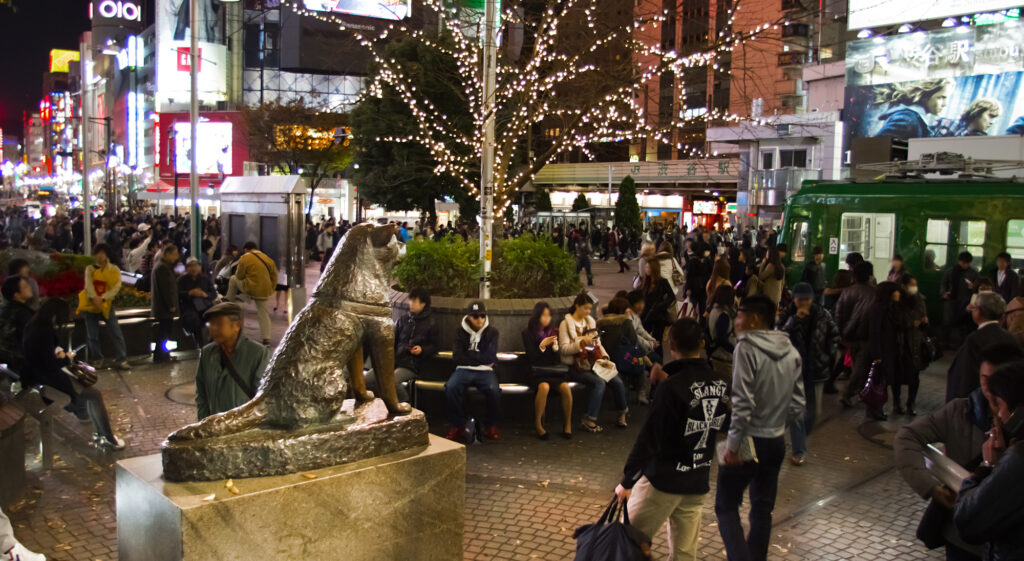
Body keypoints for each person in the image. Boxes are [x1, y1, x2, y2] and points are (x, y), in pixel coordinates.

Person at [614, 318, 729, 561]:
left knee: (627, 539)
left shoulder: (672, 387)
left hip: (663, 481)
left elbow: (650, 438)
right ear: (701, 343)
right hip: (697, 479)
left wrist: (627, 481)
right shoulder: (720, 383)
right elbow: (726, 423)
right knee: (685, 553)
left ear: (670, 343)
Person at [895, 343, 1022, 561]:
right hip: (961, 540)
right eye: (985, 379)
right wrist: (932, 488)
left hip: (1003, 543)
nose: (990, 388)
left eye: (997, 381)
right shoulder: (960, 410)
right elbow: (906, 436)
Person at [715, 295, 804, 561]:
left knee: (726, 506)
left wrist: (732, 446)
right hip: (775, 441)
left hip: (748, 440)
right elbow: (798, 405)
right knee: (762, 509)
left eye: (739, 314)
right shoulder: (791, 350)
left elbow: (742, 403)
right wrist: (775, 423)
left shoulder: (746, 348)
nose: (736, 321)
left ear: (754, 318)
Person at [22, 299, 125, 450]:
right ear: (56, 315)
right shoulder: (43, 331)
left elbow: (41, 356)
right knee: (94, 395)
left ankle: (103, 435)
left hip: (37, 377)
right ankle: (109, 439)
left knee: (93, 395)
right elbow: (49, 364)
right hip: (48, 379)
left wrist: (58, 354)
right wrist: (66, 358)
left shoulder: (33, 326)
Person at [953, 359, 1024, 560]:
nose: (1000, 415)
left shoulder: (1019, 460)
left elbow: (968, 520)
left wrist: (988, 466)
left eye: (1000, 405)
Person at [778, 282, 838, 464]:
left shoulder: (823, 315)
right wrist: (794, 320)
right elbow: (778, 337)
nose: (803, 303)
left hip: (816, 370)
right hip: (791, 371)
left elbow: (834, 335)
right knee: (796, 412)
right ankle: (798, 450)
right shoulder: (787, 315)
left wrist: (828, 355)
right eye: (799, 299)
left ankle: (798, 439)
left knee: (813, 412)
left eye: (807, 299)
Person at [560, 293, 628, 432]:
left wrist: (604, 357)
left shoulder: (590, 322)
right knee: (599, 382)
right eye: (585, 308)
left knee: (617, 380)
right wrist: (581, 343)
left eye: (590, 309)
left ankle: (622, 412)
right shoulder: (565, 324)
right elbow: (564, 349)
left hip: (594, 362)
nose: (588, 312)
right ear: (577, 306)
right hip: (577, 366)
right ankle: (589, 419)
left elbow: (597, 344)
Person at [194, 302, 271, 420]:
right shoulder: (207, 353)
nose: (212, 328)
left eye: (218, 323)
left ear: (236, 326)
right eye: (211, 323)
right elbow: (202, 396)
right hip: (214, 429)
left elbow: (263, 399)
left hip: (243, 430)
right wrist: (203, 423)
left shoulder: (258, 354)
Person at [366, 288, 439, 404]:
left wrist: (422, 350)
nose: (411, 304)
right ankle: (379, 405)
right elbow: (393, 342)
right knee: (366, 380)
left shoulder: (431, 323)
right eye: (411, 300)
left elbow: (435, 347)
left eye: (415, 301)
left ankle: (405, 404)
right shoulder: (403, 320)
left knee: (391, 382)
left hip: (412, 365)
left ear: (423, 304)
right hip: (394, 361)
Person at [946, 292, 1020, 402]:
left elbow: (965, 379)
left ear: (979, 311)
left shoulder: (974, 340)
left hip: (979, 402)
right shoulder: (1011, 338)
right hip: (1006, 402)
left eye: (974, 307)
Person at [444, 301, 501, 442]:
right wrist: (480, 358)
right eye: (475, 316)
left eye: (482, 316)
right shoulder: (460, 332)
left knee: (494, 390)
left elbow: (491, 356)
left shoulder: (492, 332)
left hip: (485, 371)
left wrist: (469, 355)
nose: (479, 319)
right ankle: (458, 425)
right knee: (451, 387)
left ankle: (490, 425)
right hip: (463, 369)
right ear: (469, 317)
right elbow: (457, 357)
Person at [522, 301, 573, 440]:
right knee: (544, 387)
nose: (547, 318)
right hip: (536, 373)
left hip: (552, 371)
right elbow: (532, 357)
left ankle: (567, 424)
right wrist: (542, 346)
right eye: (543, 315)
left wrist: (555, 348)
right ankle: (538, 423)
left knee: (565, 387)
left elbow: (556, 360)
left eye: (549, 316)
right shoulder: (528, 333)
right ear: (537, 316)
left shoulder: (552, 332)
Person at [76, 244, 130, 370]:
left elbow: (117, 286)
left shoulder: (114, 269)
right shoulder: (90, 269)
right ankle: (97, 359)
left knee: (116, 333)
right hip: (90, 306)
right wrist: (95, 297)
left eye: (102, 253)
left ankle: (122, 359)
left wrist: (103, 297)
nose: (100, 256)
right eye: (98, 253)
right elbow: (88, 285)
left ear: (107, 254)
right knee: (92, 335)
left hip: (107, 305)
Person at [866, 282, 912, 420]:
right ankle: (874, 410)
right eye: (896, 292)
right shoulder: (878, 309)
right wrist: (877, 354)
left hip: (892, 351)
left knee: (885, 381)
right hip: (883, 352)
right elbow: (874, 332)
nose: (898, 294)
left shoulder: (892, 308)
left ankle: (878, 409)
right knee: (878, 382)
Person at [837, 262, 878, 410]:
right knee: (860, 367)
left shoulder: (847, 291)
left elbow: (839, 313)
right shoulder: (874, 293)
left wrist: (841, 333)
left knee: (857, 365)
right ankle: (848, 394)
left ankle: (858, 392)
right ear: (869, 275)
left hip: (849, 336)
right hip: (864, 336)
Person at [226, 242, 278, 346]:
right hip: (264, 291)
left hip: (249, 288)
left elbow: (239, 276)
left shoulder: (245, 258)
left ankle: (228, 301)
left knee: (233, 279)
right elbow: (274, 277)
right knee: (263, 313)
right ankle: (266, 339)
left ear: (246, 249)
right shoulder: (268, 259)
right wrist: (270, 289)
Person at [873, 78, 952, 139]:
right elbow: (876, 148)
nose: (945, 104)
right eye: (941, 97)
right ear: (927, 95)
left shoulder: (912, 119)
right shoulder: (907, 119)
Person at [901, 274, 929, 416]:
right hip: (901, 342)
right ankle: (897, 403)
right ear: (903, 286)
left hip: (916, 342)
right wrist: (911, 323)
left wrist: (924, 321)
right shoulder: (898, 300)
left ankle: (910, 403)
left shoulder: (920, 299)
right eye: (911, 284)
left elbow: (925, 320)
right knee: (898, 374)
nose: (914, 287)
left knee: (914, 374)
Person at [942, 252, 980, 349]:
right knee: (947, 322)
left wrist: (972, 288)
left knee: (962, 323)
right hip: (951, 300)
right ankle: (946, 343)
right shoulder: (951, 271)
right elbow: (944, 284)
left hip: (965, 300)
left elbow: (977, 288)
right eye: (963, 263)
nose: (964, 265)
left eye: (967, 263)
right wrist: (944, 293)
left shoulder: (973, 273)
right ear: (959, 261)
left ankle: (962, 344)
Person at [151, 243, 180, 363]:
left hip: (162, 307)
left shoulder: (162, 265)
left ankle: (163, 354)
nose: (177, 257)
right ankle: (161, 356)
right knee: (164, 333)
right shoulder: (162, 267)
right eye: (175, 254)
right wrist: (171, 305)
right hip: (164, 308)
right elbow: (166, 288)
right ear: (167, 254)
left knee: (164, 333)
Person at [178, 256, 216, 348]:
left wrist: (205, 294)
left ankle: (213, 342)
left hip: (204, 306)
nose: (193, 268)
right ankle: (199, 343)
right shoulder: (181, 280)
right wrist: (189, 293)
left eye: (195, 266)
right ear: (187, 268)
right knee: (194, 320)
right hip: (189, 307)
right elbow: (177, 294)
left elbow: (213, 294)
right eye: (190, 266)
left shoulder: (205, 279)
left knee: (214, 318)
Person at [0, 276, 35, 375]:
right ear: (17, 295)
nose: (29, 287)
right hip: (19, 360)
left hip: (6, 358)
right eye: (25, 286)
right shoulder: (22, 313)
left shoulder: (6, 309)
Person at [707, 284, 738, 382]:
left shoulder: (713, 310)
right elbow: (721, 338)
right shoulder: (724, 315)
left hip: (716, 356)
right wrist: (735, 350)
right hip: (723, 358)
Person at [640, 259, 675, 343]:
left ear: (654, 268)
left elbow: (671, 296)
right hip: (646, 314)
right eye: (646, 267)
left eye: (648, 267)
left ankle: (658, 356)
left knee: (657, 340)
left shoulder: (662, 281)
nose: (646, 269)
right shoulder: (645, 281)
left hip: (658, 315)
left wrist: (662, 305)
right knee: (643, 339)